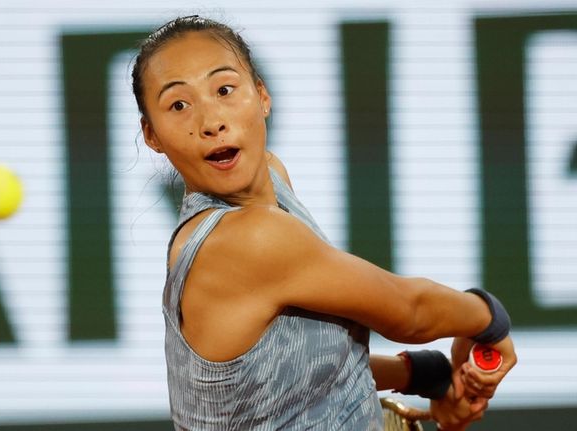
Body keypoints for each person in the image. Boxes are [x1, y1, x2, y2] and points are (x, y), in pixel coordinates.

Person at [130, 15, 517, 430]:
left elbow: (298, 372)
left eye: (225, 90)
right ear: (152, 135)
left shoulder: (272, 178)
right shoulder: (245, 241)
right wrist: (489, 319)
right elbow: (408, 311)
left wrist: (427, 376)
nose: (211, 122)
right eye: (179, 105)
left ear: (262, 95)